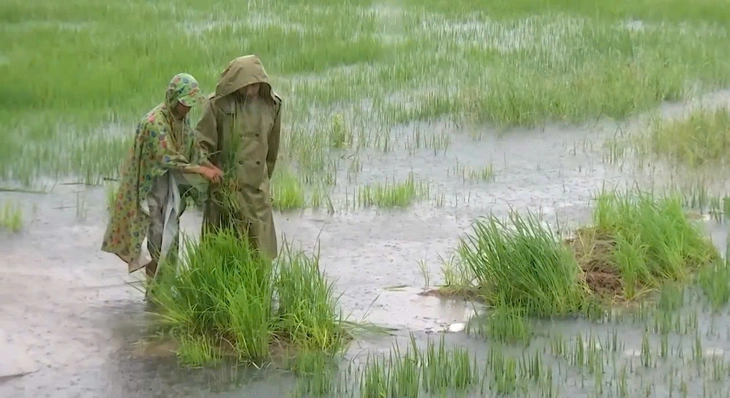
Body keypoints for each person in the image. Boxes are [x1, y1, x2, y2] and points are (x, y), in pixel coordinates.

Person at [102, 73, 223, 281]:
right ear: (173, 99)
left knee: (171, 237)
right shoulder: (155, 123)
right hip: (150, 188)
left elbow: (193, 150)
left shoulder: (181, 120)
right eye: (185, 104)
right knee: (157, 239)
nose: (188, 108)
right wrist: (203, 171)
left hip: (168, 187)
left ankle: (164, 289)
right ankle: (155, 291)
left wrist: (211, 167)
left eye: (191, 104)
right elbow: (167, 157)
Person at [194, 55, 282, 260]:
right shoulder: (216, 105)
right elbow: (201, 146)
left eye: (256, 86)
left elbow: (272, 151)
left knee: (259, 254)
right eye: (246, 86)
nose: (251, 91)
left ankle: (258, 290)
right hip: (226, 190)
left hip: (256, 193)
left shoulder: (273, 106)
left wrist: (262, 182)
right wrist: (210, 173)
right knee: (221, 254)